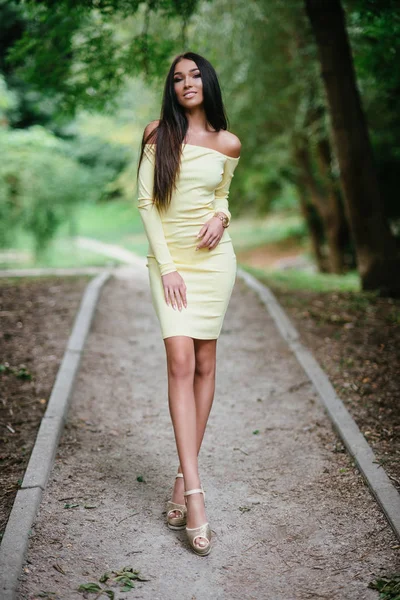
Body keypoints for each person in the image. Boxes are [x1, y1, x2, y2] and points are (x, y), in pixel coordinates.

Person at [136, 51, 241, 556]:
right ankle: (197, 495)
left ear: (208, 82)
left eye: (195, 74)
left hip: (215, 264)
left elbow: (222, 194)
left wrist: (222, 219)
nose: (186, 83)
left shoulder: (228, 143)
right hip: (170, 264)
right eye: (177, 78)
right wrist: (169, 266)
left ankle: (182, 476)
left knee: (205, 362)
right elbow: (145, 203)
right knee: (180, 359)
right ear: (171, 89)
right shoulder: (159, 134)